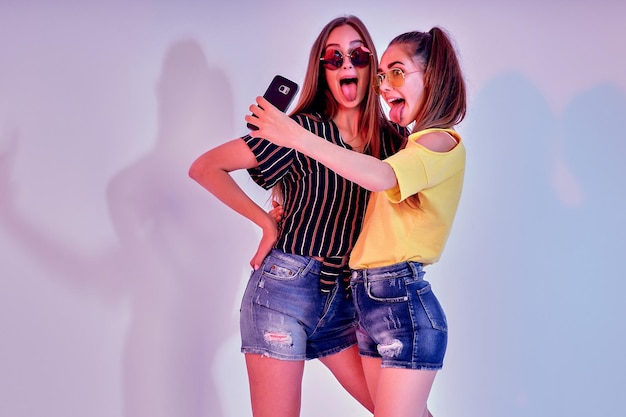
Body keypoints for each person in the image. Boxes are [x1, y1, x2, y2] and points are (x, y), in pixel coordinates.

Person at [188, 15, 406, 417]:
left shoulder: (395, 143)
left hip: (348, 299)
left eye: (358, 55)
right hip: (283, 291)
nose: (346, 65)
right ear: (322, 71)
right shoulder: (300, 130)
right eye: (334, 57)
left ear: (372, 68)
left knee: (403, 410)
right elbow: (205, 167)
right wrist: (266, 221)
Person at [245, 27, 466, 417]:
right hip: (363, 305)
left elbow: (379, 176)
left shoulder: (439, 142)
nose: (384, 85)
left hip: (400, 303)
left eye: (396, 72)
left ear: (432, 77)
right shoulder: (407, 145)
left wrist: (296, 136)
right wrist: (272, 218)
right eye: (382, 76)